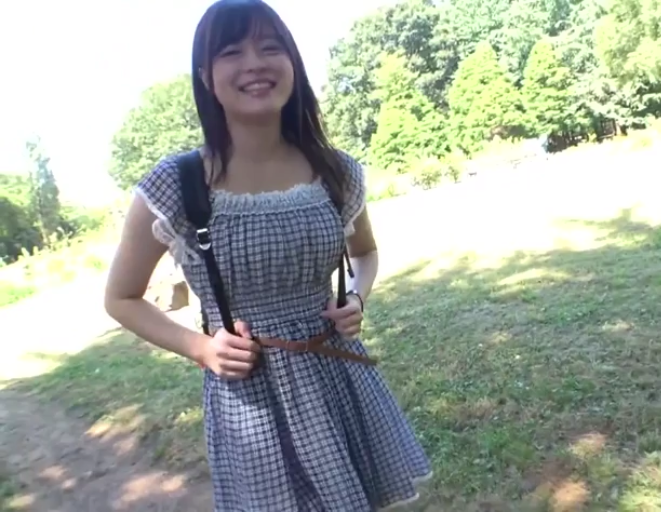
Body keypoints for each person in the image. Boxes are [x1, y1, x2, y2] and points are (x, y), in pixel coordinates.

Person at [103, 0, 432, 510]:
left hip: (341, 379)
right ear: (207, 77)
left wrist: (356, 299)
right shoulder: (177, 184)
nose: (254, 63)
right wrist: (201, 348)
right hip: (251, 400)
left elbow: (365, 253)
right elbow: (121, 298)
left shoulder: (336, 171)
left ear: (292, 64)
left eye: (270, 47)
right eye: (232, 52)